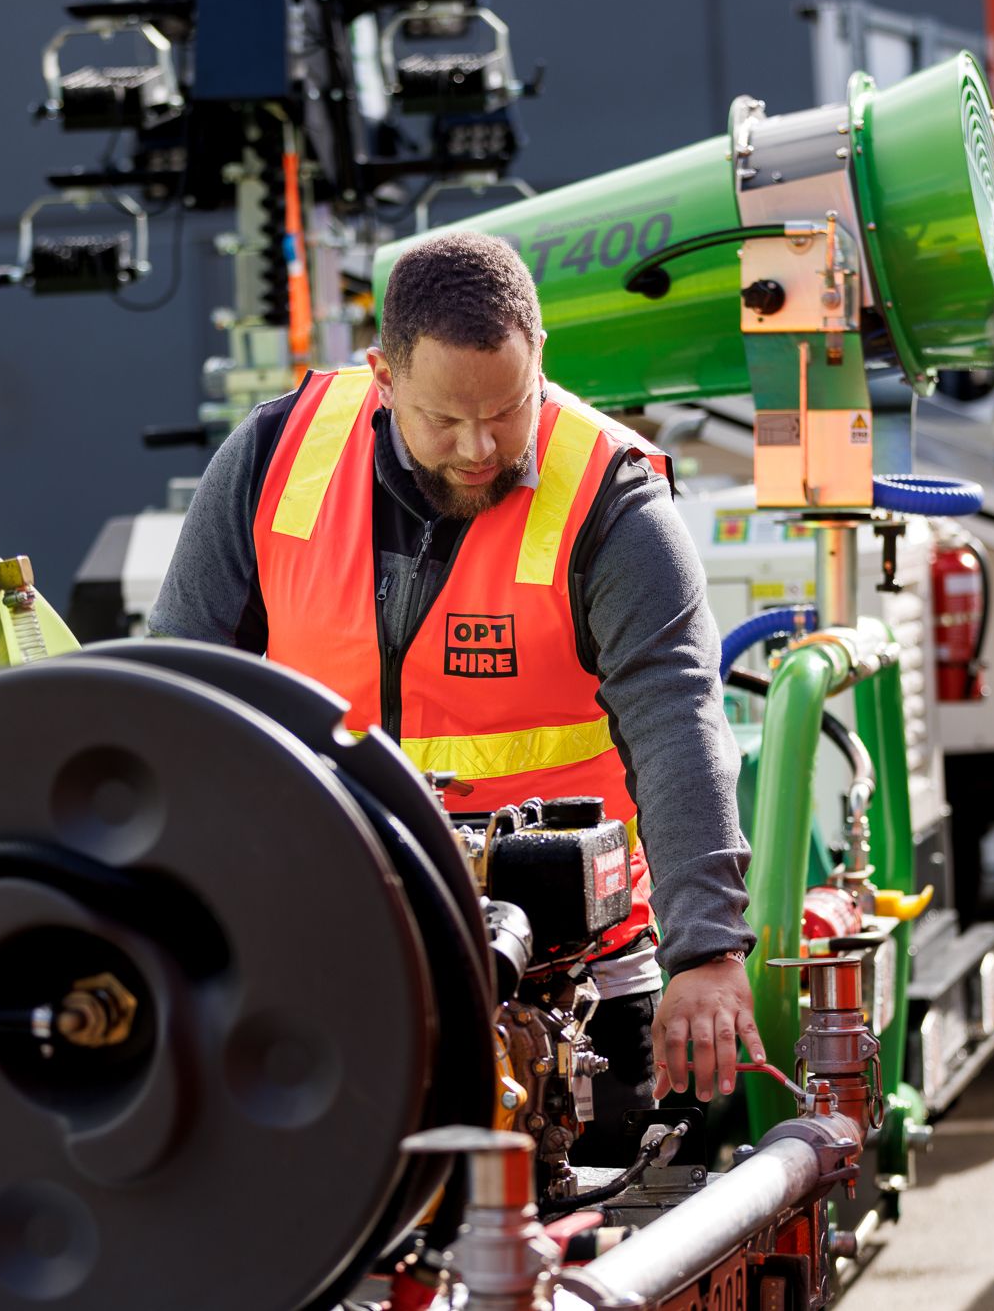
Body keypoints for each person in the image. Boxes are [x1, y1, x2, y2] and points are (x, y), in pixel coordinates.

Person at [150, 230, 763, 1156]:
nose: (481, 448)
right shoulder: (273, 460)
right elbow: (181, 701)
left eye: (508, 410)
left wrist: (707, 950)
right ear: (383, 377)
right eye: (445, 419)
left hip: (573, 977)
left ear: (541, 357)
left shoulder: (612, 499)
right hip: (327, 944)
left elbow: (677, 717)